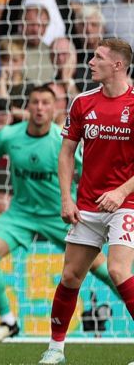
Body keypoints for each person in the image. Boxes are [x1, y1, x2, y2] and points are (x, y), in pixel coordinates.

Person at [0, 86, 114, 343]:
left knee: (107, 271)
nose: (40, 108)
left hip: (60, 215)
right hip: (20, 214)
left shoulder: (62, 140)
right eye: (35, 102)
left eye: (46, 103)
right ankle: (8, 321)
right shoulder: (9, 135)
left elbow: (91, 169)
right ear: (28, 106)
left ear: (55, 108)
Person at [39, 38, 134, 365]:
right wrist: (66, 198)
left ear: (118, 65)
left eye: (98, 57)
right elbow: (66, 153)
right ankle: (55, 350)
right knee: (69, 277)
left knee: (118, 270)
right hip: (89, 205)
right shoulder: (82, 102)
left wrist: (121, 192)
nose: (91, 62)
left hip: (126, 203)